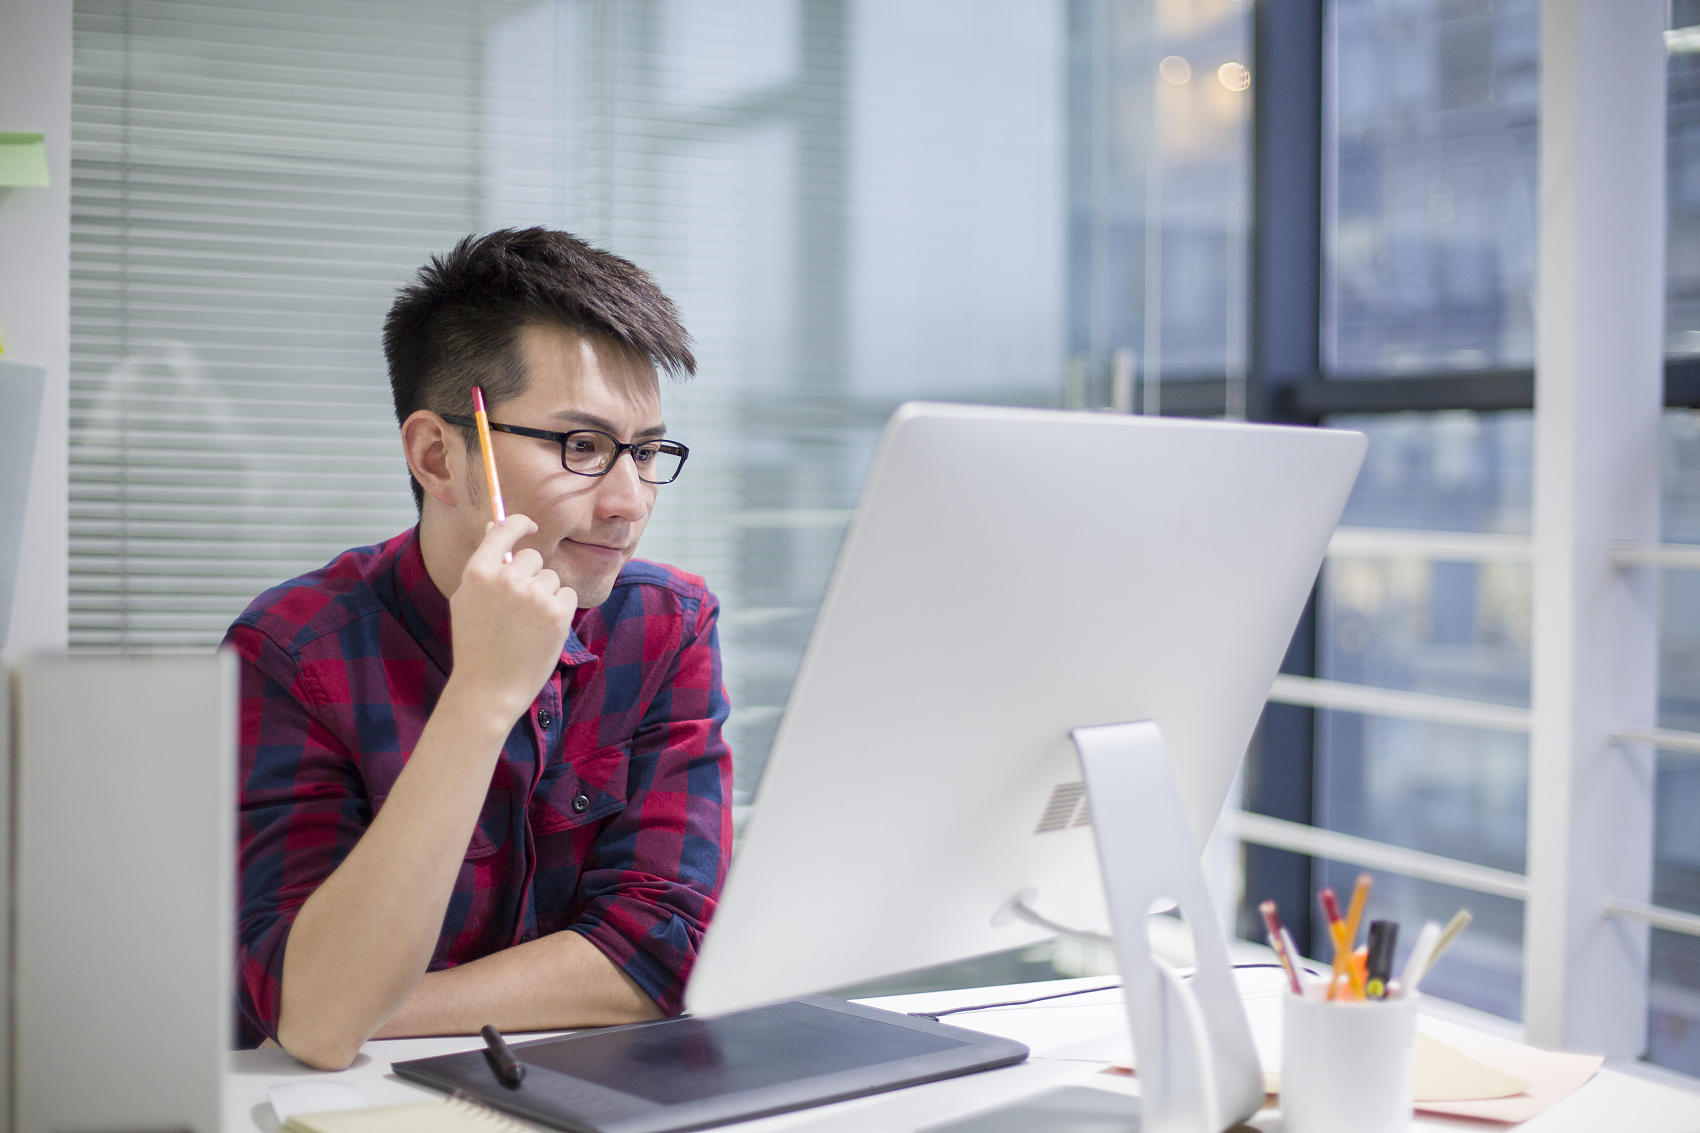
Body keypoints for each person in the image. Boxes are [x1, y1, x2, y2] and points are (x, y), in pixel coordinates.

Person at [224, 228, 732, 1070]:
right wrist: (482, 700)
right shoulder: (289, 653)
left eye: (645, 452)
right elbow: (313, 1027)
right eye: (583, 446)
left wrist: (363, 1000)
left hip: (588, 1094)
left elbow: (662, 952)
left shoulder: (666, 625)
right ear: (438, 455)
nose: (628, 501)